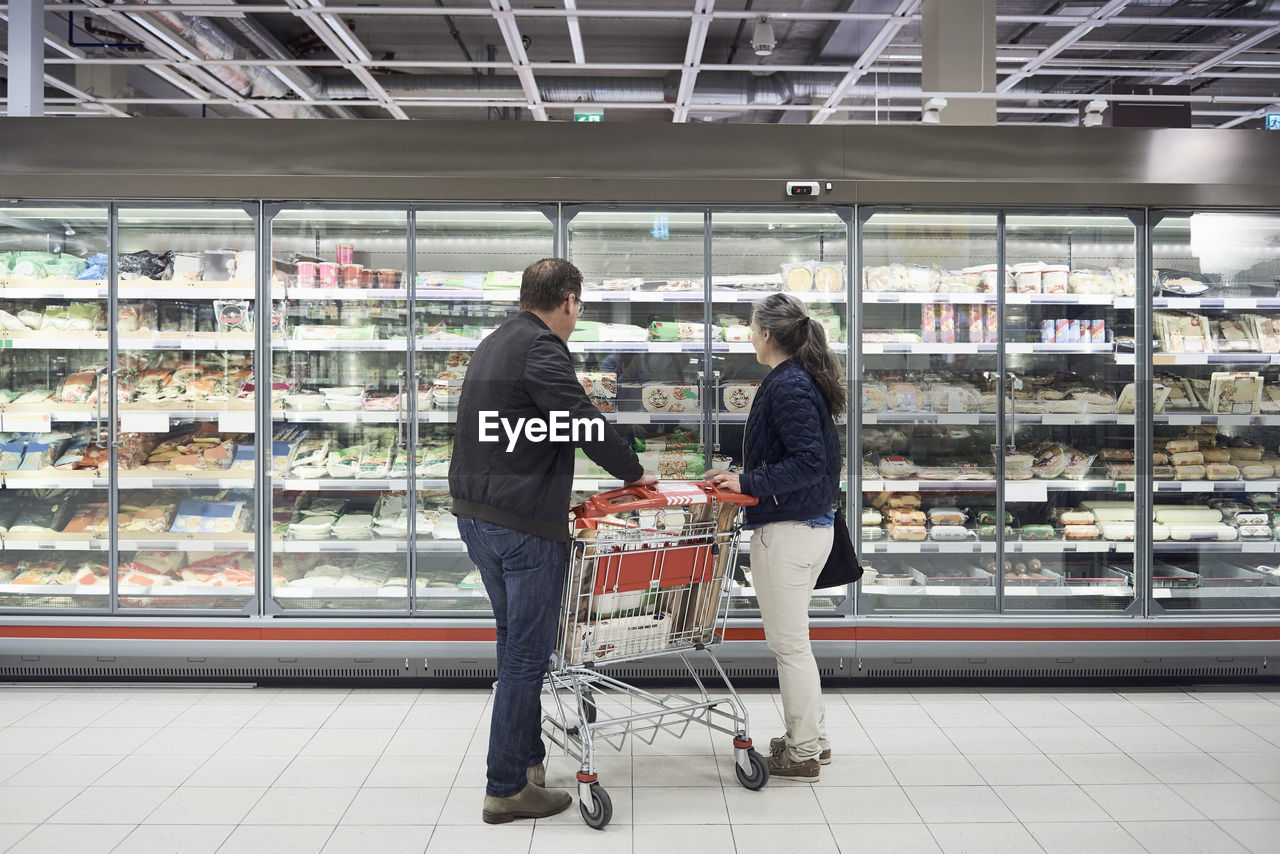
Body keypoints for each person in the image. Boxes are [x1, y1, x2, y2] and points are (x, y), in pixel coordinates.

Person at [450, 257, 656, 823]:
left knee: (513, 642)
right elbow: (580, 417)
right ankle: (506, 787)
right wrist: (633, 472)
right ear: (567, 301)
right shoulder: (542, 347)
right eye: (579, 306)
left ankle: (526, 760)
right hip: (520, 524)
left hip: (478, 515)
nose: (576, 315)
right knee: (526, 653)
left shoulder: (495, 341)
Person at [704, 292, 844, 781]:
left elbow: (809, 462)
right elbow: (797, 456)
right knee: (795, 644)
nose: (748, 334)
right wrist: (742, 476)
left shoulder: (788, 385)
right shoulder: (794, 381)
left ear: (766, 334)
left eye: (750, 326)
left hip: (788, 531)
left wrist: (747, 483)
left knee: (789, 647)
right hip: (803, 526)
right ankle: (814, 739)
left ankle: (803, 751)